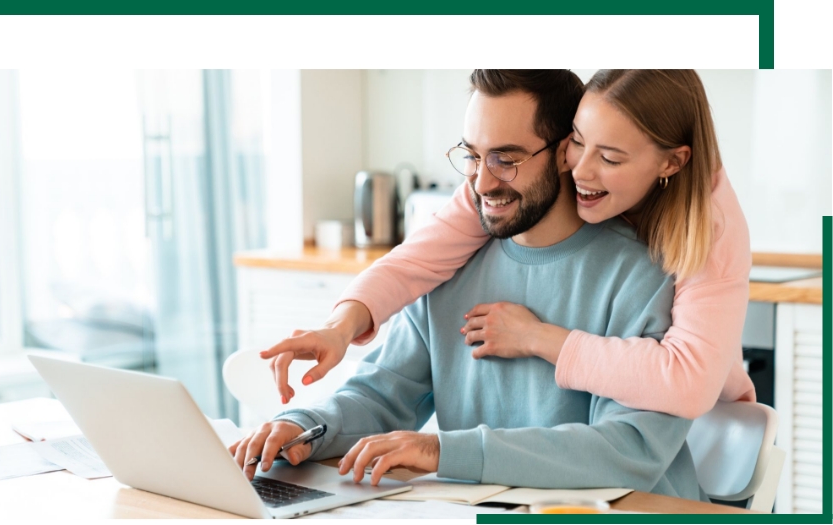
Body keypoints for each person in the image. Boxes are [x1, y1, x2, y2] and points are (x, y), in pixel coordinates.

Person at [230, 71, 704, 500]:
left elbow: (626, 450)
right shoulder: (452, 262)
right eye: (473, 156)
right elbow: (382, 395)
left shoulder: (642, 273)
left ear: (566, 152)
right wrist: (304, 427)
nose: (481, 183)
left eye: (506, 158)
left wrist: (443, 452)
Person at [261, 69, 755, 419]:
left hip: (702, 428)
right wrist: (338, 329)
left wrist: (538, 338)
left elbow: (688, 387)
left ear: (671, 164)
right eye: (578, 143)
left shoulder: (708, 232)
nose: (580, 170)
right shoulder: (497, 193)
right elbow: (415, 260)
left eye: (609, 157)